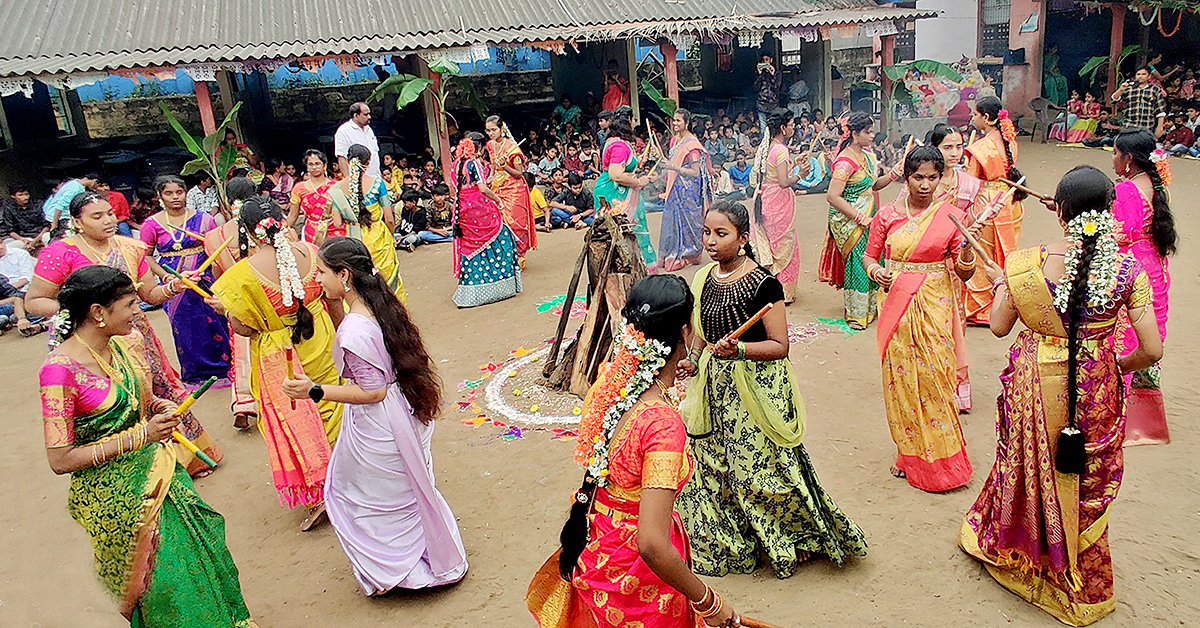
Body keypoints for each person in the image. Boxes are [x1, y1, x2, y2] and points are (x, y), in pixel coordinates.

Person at [959, 166, 1163, 627]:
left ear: (1060, 213)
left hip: (1035, 382)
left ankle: (1026, 551)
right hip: (1095, 388)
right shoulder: (1130, 271)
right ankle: (1081, 577)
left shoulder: (1027, 264)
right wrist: (1111, 365)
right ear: (1110, 210)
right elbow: (1151, 349)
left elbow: (997, 327)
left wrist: (1001, 284)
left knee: (1031, 465)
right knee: (1083, 477)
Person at [39, 265, 259, 627]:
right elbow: (60, 458)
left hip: (163, 476)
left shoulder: (125, 345)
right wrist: (142, 436)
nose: (138, 311)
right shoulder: (58, 372)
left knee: (204, 555)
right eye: (129, 305)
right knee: (165, 582)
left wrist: (159, 406)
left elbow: (139, 400)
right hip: (119, 500)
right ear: (98, 314)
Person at [528, 274, 744, 628]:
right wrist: (709, 601)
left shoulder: (612, 386)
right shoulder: (661, 424)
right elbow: (652, 544)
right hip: (639, 578)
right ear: (686, 333)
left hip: (600, 549)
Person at [675, 201, 867, 577]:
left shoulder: (765, 284)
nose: (710, 242)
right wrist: (693, 360)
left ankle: (789, 539)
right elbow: (699, 329)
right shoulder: (704, 277)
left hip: (758, 391)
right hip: (715, 391)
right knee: (713, 466)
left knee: (758, 471)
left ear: (743, 238)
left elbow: (780, 346)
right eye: (706, 233)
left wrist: (741, 349)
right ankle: (734, 540)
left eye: (721, 233)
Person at [283, 238, 468, 594]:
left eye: (322, 272)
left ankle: (401, 571)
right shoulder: (380, 305)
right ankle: (429, 558)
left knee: (363, 495)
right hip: (402, 409)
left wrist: (314, 390)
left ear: (345, 275)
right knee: (406, 491)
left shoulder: (354, 328)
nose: (317, 279)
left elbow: (373, 391)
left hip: (380, 421)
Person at [26, 190, 222, 473]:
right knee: (104, 399)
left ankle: (184, 459)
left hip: (132, 332)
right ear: (77, 222)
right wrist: (77, 311)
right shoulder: (60, 252)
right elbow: (33, 300)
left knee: (155, 391)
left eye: (109, 214)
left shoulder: (130, 247)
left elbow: (150, 295)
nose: (108, 220)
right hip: (84, 336)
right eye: (97, 216)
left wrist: (173, 287)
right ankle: (126, 463)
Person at [210, 197, 342, 529]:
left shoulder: (241, 275)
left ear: (249, 232)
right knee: (331, 403)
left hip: (280, 353)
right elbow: (333, 300)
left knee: (298, 417)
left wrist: (227, 309)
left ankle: (323, 487)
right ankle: (348, 473)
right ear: (281, 220)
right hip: (320, 338)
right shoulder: (312, 252)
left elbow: (243, 327)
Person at [863, 146, 979, 491]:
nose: (925, 185)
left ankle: (944, 461)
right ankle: (909, 453)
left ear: (941, 177)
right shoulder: (886, 215)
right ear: (906, 177)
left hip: (935, 304)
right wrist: (876, 271)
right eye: (918, 177)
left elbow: (965, 272)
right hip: (896, 302)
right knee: (901, 380)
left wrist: (969, 250)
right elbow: (869, 258)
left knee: (935, 379)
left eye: (932, 177)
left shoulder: (952, 216)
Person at [1111, 130, 1176, 446]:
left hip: (1133, 267)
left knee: (1124, 337)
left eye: (1115, 153)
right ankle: (1146, 420)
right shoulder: (1155, 186)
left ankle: (1117, 416)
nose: (1112, 159)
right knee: (1148, 333)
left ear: (1127, 160)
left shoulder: (1125, 191)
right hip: (1155, 266)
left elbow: (1117, 234)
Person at [139, 175, 232, 386]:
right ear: (159, 196)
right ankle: (196, 375)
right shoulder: (151, 225)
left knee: (215, 323)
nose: (175, 198)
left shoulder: (204, 219)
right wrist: (165, 277)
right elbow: (146, 255)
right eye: (169, 193)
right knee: (186, 330)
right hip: (174, 285)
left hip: (205, 279)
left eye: (179, 192)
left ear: (186, 193)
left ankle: (225, 369)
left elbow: (214, 249)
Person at [822, 112, 903, 329]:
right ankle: (856, 314)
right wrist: (860, 218)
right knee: (858, 261)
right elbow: (832, 196)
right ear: (855, 134)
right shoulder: (845, 162)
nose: (872, 135)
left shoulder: (867, 156)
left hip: (868, 215)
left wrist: (895, 173)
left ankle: (869, 308)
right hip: (849, 220)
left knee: (871, 257)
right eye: (868, 132)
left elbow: (873, 185)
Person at [962, 96, 1027, 325]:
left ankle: (980, 308)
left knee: (982, 254)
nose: (973, 118)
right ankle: (1003, 299)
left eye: (975, 114)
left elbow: (969, 183)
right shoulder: (1011, 140)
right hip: (1009, 200)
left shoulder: (981, 147)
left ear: (987, 118)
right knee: (1004, 252)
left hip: (987, 202)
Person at [205, 177, 259, 430]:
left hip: (235, 300)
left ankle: (243, 404)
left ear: (227, 200)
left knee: (240, 352)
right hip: (266, 298)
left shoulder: (214, 236)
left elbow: (217, 275)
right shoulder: (268, 228)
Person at [451, 133, 522, 308]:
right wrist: (497, 199)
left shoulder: (456, 164)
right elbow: (482, 188)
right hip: (479, 207)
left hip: (462, 208)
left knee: (469, 245)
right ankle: (501, 284)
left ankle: (472, 290)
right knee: (502, 236)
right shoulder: (474, 163)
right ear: (480, 148)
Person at [749, 108, 806, 304]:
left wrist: (794, 163)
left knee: (770, 244)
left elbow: (770, 172)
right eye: (792, 125)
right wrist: (800, 175)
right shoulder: (781, 150)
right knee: (783, 246)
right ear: (783, 128)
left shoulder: (768, 147)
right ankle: (784, 291)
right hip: (779, 200)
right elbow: (783, 181)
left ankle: (768, 288)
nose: (794, 128)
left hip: (765, 197)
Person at [339, 144, 406, 302]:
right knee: (387, 277)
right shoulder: (377, 184)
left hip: (353, 235)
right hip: (377, 234)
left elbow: (337, 222)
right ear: (368, 163)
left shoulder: (338, 188)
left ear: (349, 161)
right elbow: (389, 218)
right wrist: (390, 235)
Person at [593, 113, 657, 269]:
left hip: (616, 190)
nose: (635, 122)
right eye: (634, 119)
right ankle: (635, 268)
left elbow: (622, 165)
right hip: (614, 194)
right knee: (623, 231)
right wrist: (638, 181)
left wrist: (640, 158)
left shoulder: (616, 142)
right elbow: (616, 174)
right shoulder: (619, 146)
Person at [657, 109, 712, 272]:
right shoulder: (675, 141)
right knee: (672, 221)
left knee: (689, 221)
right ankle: (671, 253)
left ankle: (689, 253)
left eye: (678, 121)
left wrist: (673, 167)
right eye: (674, 120)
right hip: (675, 188)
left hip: (688, 190)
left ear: (686, 123)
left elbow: (695, 172)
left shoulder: (692, 145)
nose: (675, 123)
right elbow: (672, 162)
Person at [485, 115, 537, 263]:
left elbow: (519, 173)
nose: (490, 133)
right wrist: (491, 175)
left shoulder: (512, 148)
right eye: (488, 131)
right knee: (497, 221)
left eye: (493, 130)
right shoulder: (490, 145)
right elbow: (493, 166)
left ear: (501, 129)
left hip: (514, 187)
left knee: (515, 222)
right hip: (497, 186)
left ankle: (520, 256)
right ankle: (504, 254)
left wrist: (505, 166)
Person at [288, 149, 356, 245]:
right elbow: (293, 215)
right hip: (312, 233)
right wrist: (283, 230)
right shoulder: (299, 188)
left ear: (324, 166)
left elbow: (346, 212)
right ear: (307, 167)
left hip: (335, 231)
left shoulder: (336, 186)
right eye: (311, 164)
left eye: (317, 164)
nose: (314, 167)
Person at [1111, 66, 1167, 137]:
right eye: (1138, 74)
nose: (1140, 76)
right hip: (1129, 126)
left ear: (1149, 76)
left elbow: (1160, 110)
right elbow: (1114, 100)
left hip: (1147, 126)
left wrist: (1160, 127)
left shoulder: (1155, 89)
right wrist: (1121, 89)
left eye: (1143, 74)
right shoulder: (1128, 88)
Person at [44, 173, 100, 237]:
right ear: (95, 181)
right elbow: (60, 205)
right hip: (60, 217)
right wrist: (54, 224)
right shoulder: (74, 189)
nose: (94, 189)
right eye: (96, 186)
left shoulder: (75, 182)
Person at [336, 103, 382, 180]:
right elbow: (342, 158)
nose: (369, 117)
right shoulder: (343, 131)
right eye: (365, 114)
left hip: (375, 177)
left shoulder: (368, 129)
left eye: (369, 114)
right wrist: (348, 180)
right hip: (357, 180)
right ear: (356, 115)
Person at [1, 183, 48, 252]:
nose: (25, 197)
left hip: (40, 235)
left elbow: (47, 226)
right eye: (21, 195)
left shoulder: (39, 204)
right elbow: (9, 230)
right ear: (13, 196)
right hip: (22, 238)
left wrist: (36, 240)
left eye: (26, 194)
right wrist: (22, 239)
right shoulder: (9, 208)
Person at [754, 53, 782, 131]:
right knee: (763, 127)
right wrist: (759, 75)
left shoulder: (777, 73)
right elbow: (755, 87)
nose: (765, 62)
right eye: (763, 60)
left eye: (767, 60)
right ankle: (764, 143)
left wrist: (772, 75)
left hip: (773, 105)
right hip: (761, 104)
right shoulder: (758, 73)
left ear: (771, 60)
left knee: (774, 127)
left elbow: (776, 88)